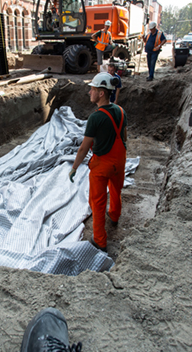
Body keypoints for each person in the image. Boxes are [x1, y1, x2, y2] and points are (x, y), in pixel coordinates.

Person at [69, 72, 127, 252]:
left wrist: (74, 167)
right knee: (116, 191)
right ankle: (115, 216)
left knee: (97, 202)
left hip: (102, 165)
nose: (89, 93)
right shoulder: (121, 111)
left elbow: (83, 148)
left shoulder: (96, 117)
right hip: (119, 160)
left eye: (92, 89)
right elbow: (124, 139)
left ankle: (100, 241)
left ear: (101, 93)